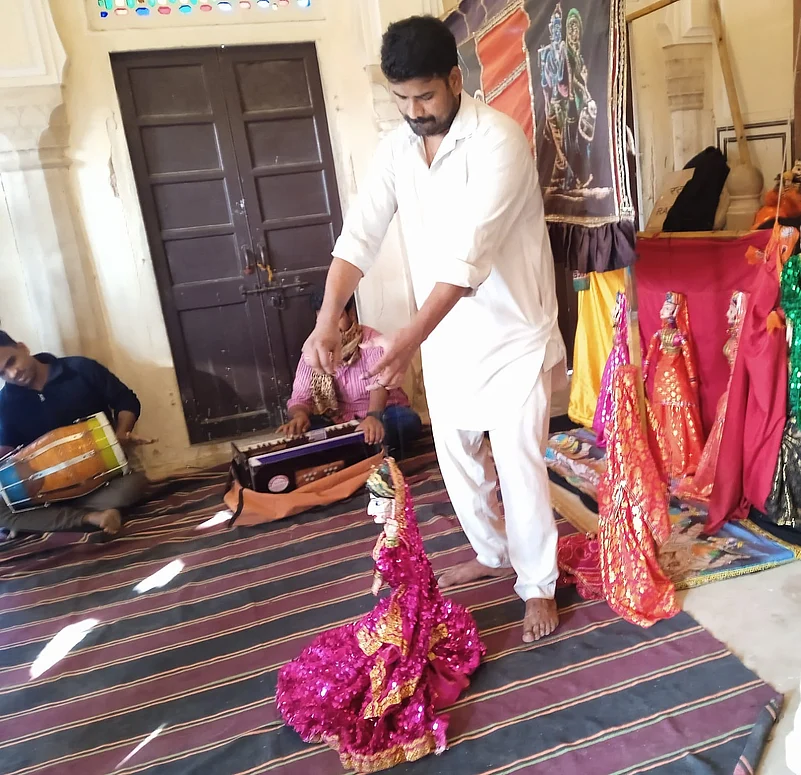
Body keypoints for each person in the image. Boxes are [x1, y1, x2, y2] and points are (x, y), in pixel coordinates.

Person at [301, 16, 566, 642]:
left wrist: (403, 342)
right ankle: (493, 553)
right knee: (458, 461)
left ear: (455, 78)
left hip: (512, 335)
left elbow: (465, 262)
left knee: (518, 462)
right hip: (446, 339)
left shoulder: (498, 141)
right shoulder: (397, 149)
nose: (414, 111)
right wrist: (324, 318)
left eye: (425, 96)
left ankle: (538, 585)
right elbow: (360, 234)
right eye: (402, 100)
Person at [276, 458, 484, 772]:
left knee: (374, 672)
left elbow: (416, 580)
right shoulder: (393, 531)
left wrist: (403, 632)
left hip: (407, 611)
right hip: (397, 604)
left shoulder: (399, 539)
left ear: (396, 501)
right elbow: (391, 569)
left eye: (377, 502)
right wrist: (380, 583)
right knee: (343, 654)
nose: (371, 510)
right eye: (371, 502)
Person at [0, 330, 147, 536]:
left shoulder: (80, 368)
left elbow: (126, 401)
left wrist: (122, 433)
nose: (12, 374)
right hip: (49, 491)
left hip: (102, 480)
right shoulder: (5, 402)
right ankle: (92, 517)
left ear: (23, 348)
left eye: (11, 362)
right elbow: (7, 450)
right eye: (2, 374)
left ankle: (55, 521)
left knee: (132, 486)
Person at [277, 293, 423, 457]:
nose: (331, 328)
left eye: (337, 318)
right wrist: (299, 416)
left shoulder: (371, 339)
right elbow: (300, 397)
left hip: (382, 411)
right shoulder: (314, 347)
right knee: (305, 433)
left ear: (351, 314)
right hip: (339, 419)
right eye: (323, 322)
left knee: (407, 421)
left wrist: (373, 417)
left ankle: (347, 449)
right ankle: (361, 446)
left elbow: (379, 383)